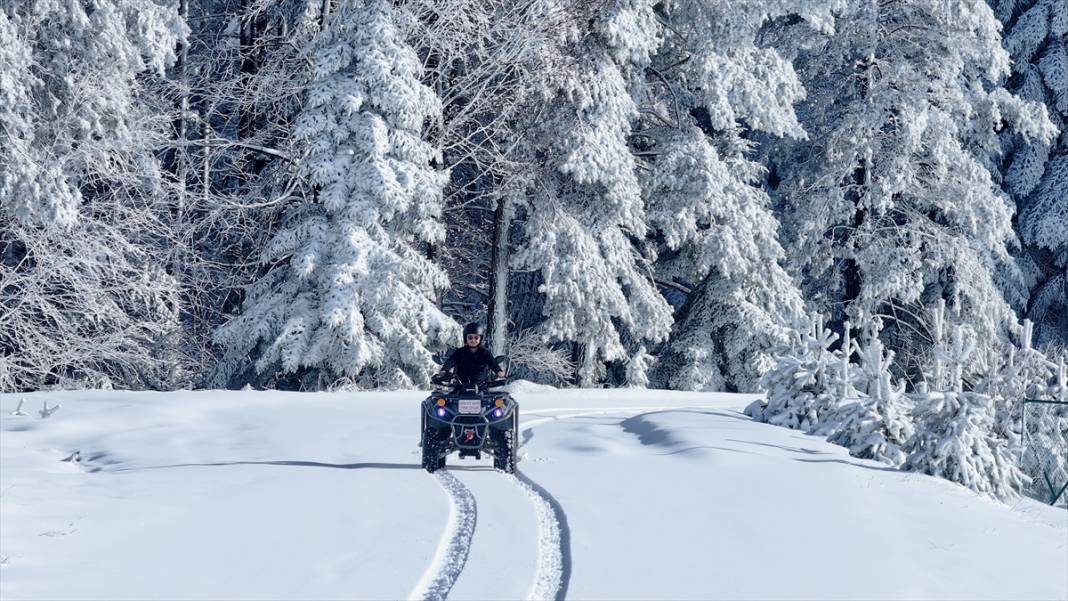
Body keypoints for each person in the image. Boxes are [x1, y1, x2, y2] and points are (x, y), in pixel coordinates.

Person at [437, 322, 505, 386]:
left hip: (481, 386)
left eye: (476, 337)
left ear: (480, 338)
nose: (473, 340)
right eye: (470, 337)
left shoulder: (485, 352)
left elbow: (492, 363)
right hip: (460, 386)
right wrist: (444, 369)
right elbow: (451, 361)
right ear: (465, 338)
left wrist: (498, 371)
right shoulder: (460, 352)